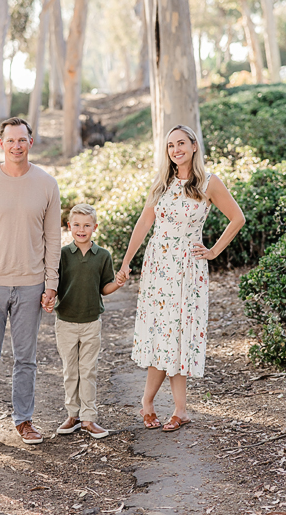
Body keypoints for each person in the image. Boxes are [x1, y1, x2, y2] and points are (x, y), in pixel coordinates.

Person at [117, 125, 245, 431]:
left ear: (194, 146)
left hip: (188, 269)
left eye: (181, 143)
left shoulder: (209, 183)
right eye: (171, 145)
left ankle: (179, 409)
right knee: (160, 335)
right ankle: (149, 403)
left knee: (178, 336)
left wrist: (213, 251)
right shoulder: (162, 183)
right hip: (158, 268)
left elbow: (238, 218)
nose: (176, 149)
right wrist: (126, 262)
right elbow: (144, 223)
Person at [0, 117, 62, 447]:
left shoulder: (47, 183)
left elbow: (52, 238)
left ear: (31, 143)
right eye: (10, 140)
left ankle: (24, 421)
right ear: (1, 144)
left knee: (26, 358)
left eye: (22, 140)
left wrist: (51, 283)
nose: (16, 145)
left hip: (31, 283)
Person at [44, 203, 123, 439]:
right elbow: (54, 285)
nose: (81, 229)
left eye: (87, 225)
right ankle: (73, 415)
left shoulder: (103, 256)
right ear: (69, 227)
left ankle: (89, 418)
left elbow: (105, 287)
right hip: (66, 321)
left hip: (91, 322)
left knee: (88, 370)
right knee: (70, 370)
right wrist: (49, 298)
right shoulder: (62, 255)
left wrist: (118, 283)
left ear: (94, 227)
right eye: (76, 225)